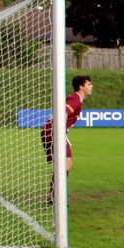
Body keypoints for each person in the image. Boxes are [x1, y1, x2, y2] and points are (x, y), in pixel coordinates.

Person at [41, 74, 93, 202]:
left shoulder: (75, 98)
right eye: (89, 84)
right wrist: (59, 131)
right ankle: (56, 196)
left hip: (51, 130)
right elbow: (64, 112)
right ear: (81, 87)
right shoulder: (75, 98)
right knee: (66, 164)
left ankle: (54, 196)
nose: (92, 87)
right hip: (54, 131)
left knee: (64, 164)